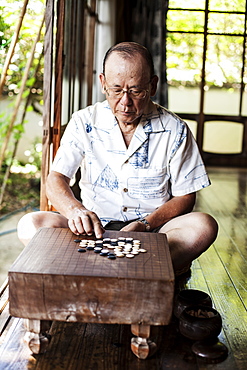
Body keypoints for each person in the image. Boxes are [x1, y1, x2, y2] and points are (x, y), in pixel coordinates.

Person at [17, 42, 218, 275]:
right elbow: (56, 178)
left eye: (136, 91)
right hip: (93, 231)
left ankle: (101, 268)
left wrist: (146, 224)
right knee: (30, 225)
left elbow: (186, 196)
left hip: (152, 233)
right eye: (116, 90)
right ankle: (145, 270)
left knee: (203, 226)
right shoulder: (84, 121)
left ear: (152, 86)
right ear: (103, 83)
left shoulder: (175, 129)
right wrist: (75, 212)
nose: (125, 102)